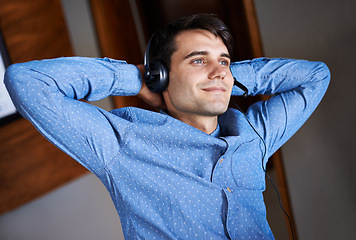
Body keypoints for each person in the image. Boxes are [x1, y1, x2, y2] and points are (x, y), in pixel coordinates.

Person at [4, 13, 330, 240]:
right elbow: (27, 82)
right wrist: (134, 77)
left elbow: (316, 77)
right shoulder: (121, 144)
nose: (219, 70)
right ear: (161, 75)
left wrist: (228, 77)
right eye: (199, 60)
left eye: (225, 59)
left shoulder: (255, 134)